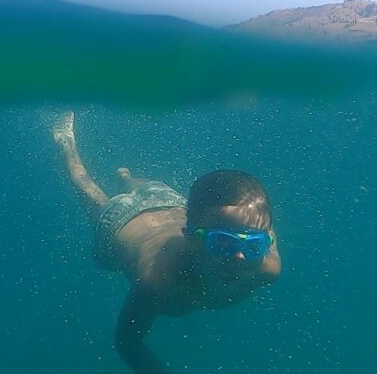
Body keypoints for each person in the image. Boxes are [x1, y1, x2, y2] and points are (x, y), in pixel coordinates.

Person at [52, 111, 281, 374]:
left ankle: (127, 179)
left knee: (152, 187)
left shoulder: (268, 267)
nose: (240, 257)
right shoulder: (158, 282)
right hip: (122, 219)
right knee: (90, 200)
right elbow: (127, 342)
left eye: (253, 246)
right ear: (190, 241)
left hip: (173, 205)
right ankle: (66, 145)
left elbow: (265, 227)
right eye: (222, 244)